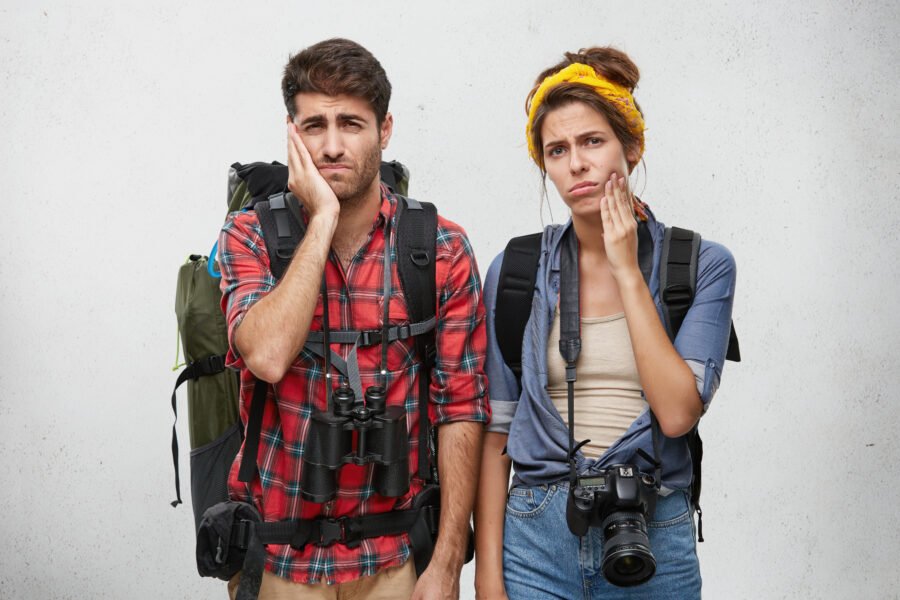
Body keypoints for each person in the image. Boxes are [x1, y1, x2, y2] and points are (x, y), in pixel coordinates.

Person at [218, 38, 489, 599]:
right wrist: (321, 220)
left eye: (352, 124)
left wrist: (447, 563)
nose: (332, 146)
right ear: (292, 132)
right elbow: (266, 356)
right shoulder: (249, 235)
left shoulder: (439, 248)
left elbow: (461, 407)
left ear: (384, 130)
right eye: (314, 126)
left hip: (395, 555)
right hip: (277, 557)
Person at [474, 47, 736, 599]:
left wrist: (625, 268)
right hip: (535, 535)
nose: (576, 163)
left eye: (593, 141)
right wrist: (489, 580)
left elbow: (676, 414)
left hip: (653, 527)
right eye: (557, 150)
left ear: (631, 148)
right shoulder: (517, 270)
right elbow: (496, 431)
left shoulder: (700, 266)